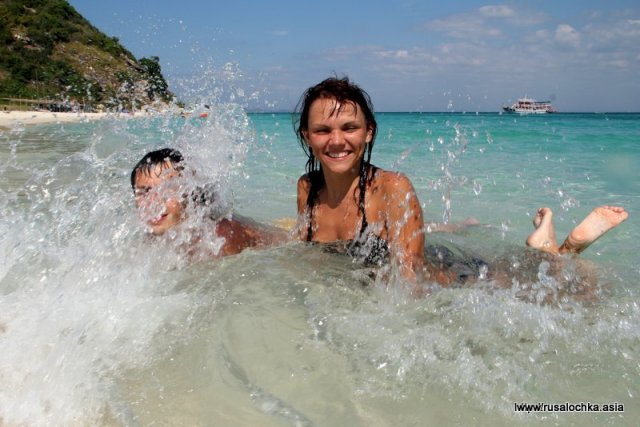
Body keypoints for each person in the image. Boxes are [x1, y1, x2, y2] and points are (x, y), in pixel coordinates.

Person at [292, 76, 629, 292]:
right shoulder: (307, 188)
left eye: (349, 127)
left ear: (369, 132)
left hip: (454, 278)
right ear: (307, 136)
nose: (336, 141)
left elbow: (411, 280)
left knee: (548, 287)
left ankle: (564, 249)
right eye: (323, 130)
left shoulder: (392, 188)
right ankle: (548, 243)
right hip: (399, 272)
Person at [131, 148, 286, 257]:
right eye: (144, 192)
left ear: (190, 194)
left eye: (168, 190)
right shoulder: (147, 240)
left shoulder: (218, 240)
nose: (154, 203)